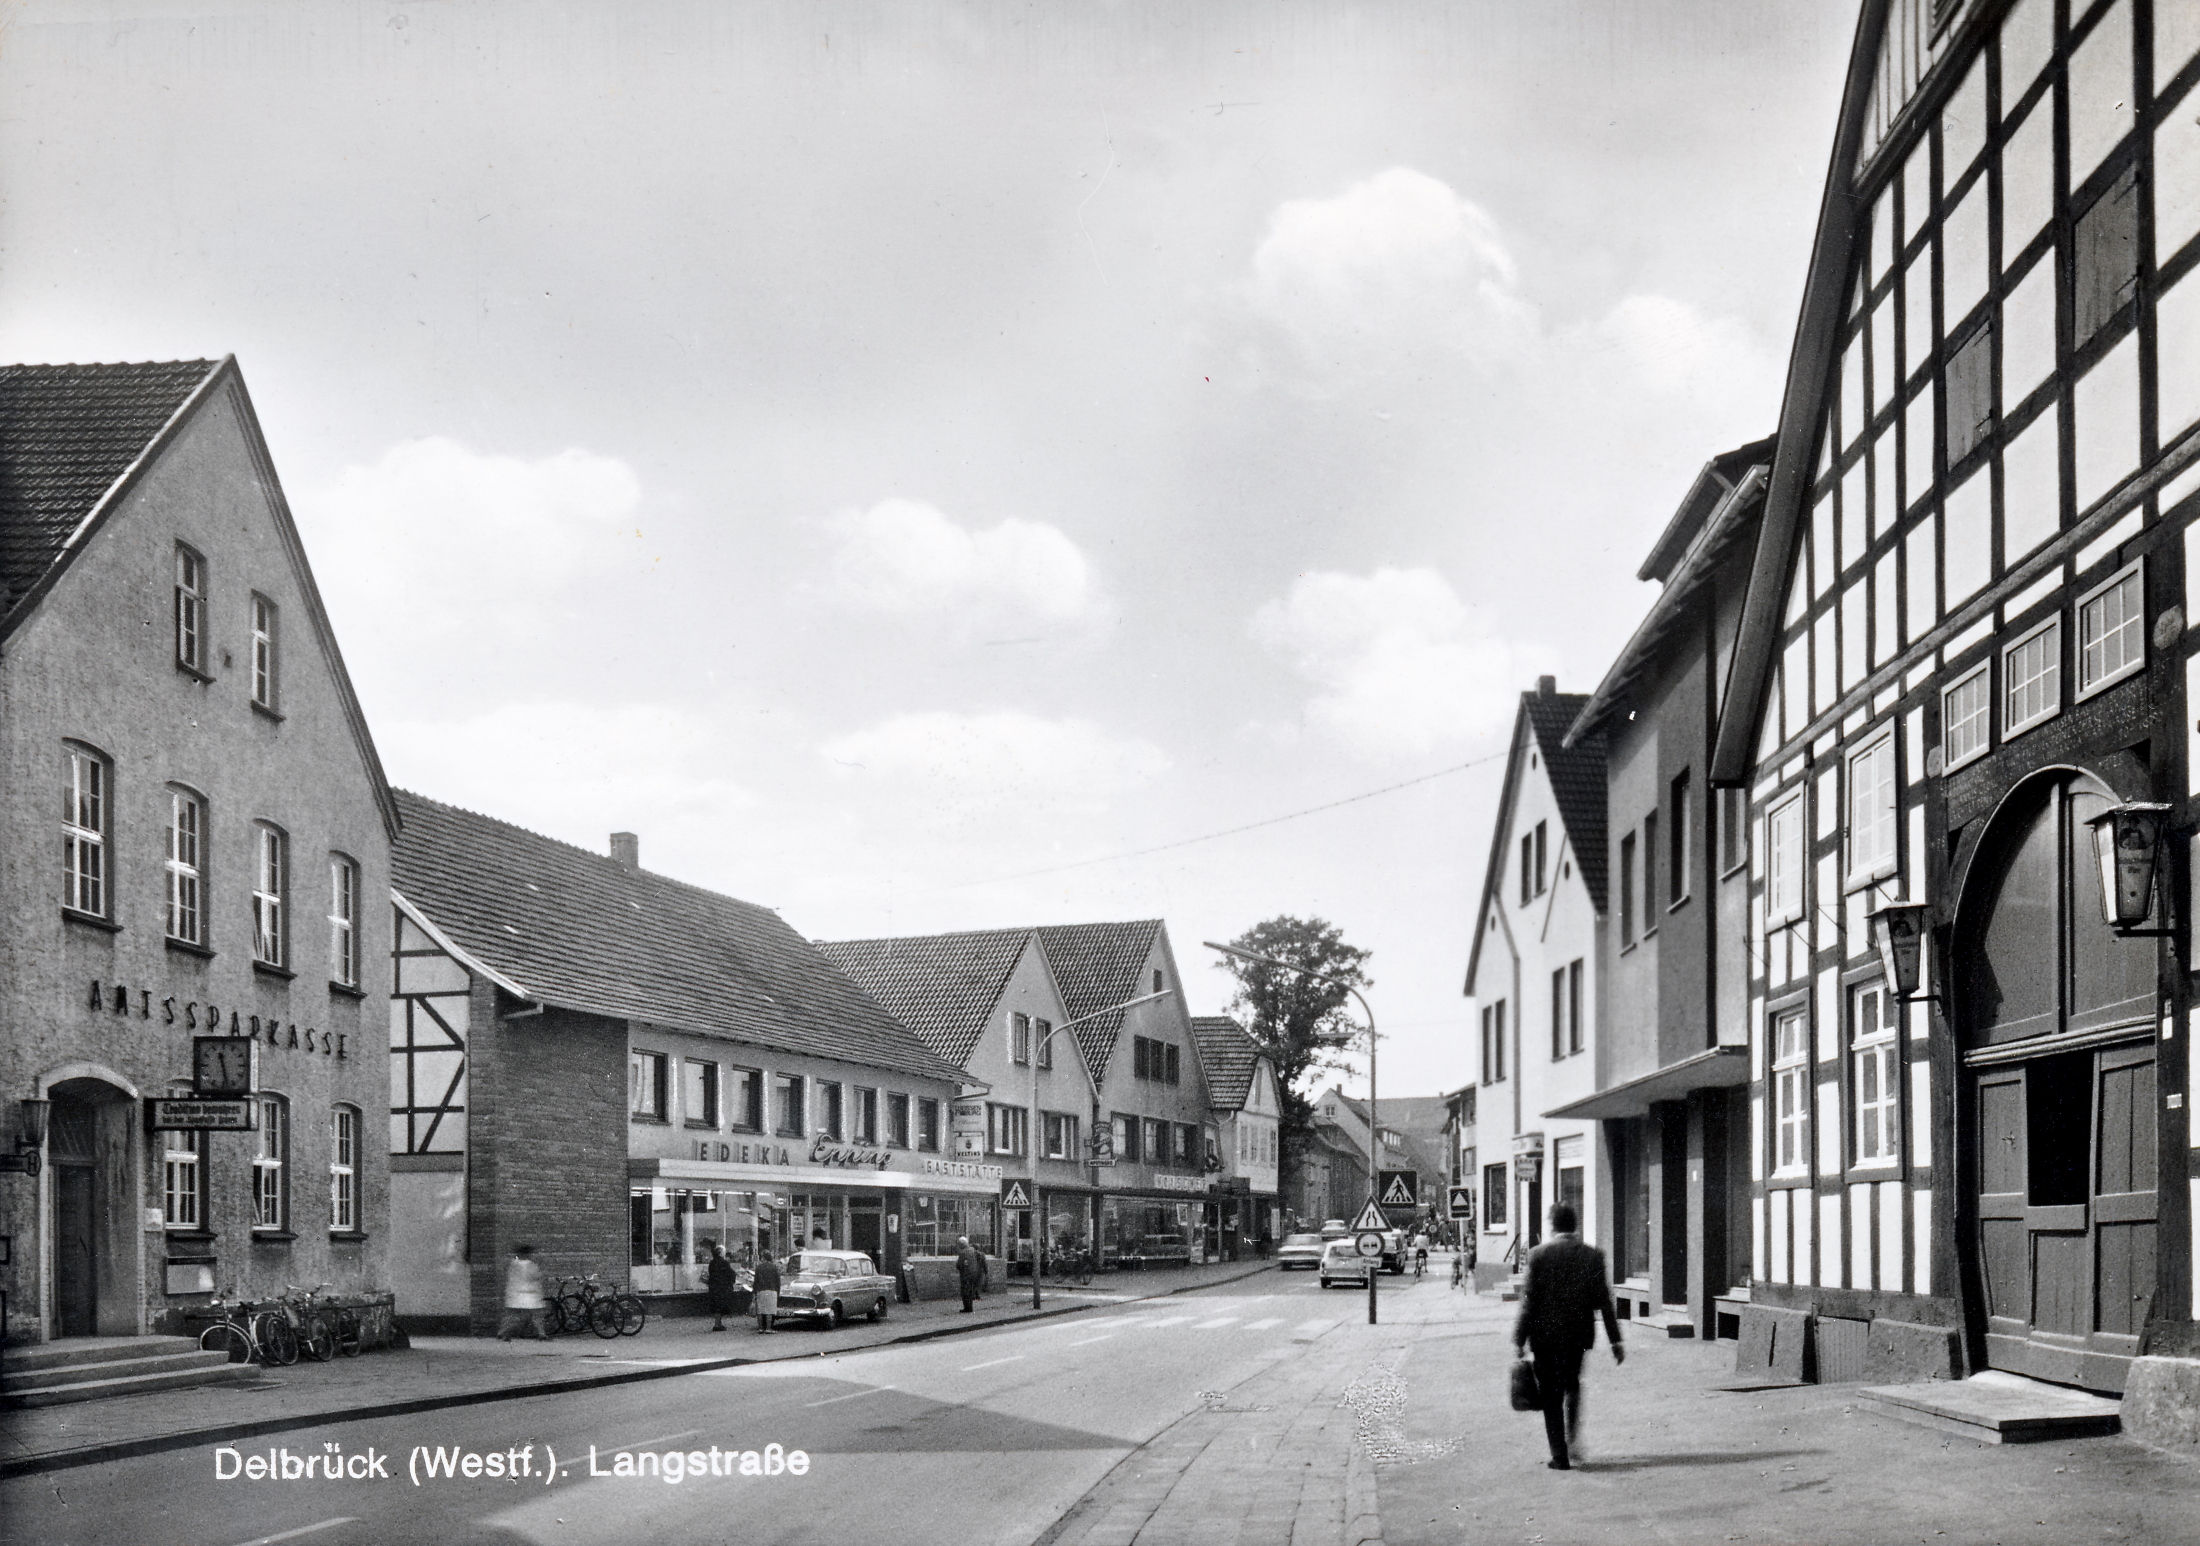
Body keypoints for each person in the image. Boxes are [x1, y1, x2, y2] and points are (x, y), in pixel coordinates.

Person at [1511, 1203, 1622, 1470]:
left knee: (1551, 1394)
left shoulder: (1538, 1255)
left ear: (1553, 1226)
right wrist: (1615, 1340)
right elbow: (1604, 1301)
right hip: (1577, 1336)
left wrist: (1519, 1338)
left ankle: (1559, 1455)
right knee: (1572, 1384)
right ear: (1575, 1226)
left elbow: (1529, 1302)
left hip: (1544, 1337)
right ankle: (1572, 1440)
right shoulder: (1592, 1256)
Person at [497, 1244, 548, 1342]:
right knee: (536, 1315)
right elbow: (536, 1276)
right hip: (530, 1293)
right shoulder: (530, 1265)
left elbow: (506, 1275)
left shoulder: (512, 1264)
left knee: (512, 1315)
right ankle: (541, 1333)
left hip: (514, 1293)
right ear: (527, 1254)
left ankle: (503, 1332)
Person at [706, 1243, 737, 1332]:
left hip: (714, 1287)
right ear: (720, 1253)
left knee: (716, 1306)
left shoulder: (712, 1263)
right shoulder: (724, 1262)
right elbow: (731, 1273)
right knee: (720, 1305)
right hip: (723, 1287)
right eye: (724, 1252)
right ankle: (718, 1324)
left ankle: (717, 1323)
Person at [752, 1251, 782, 1333]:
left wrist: (754, 1291)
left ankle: (761, 1328)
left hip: (760, 1290)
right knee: (769, 1310)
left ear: (763, 1258)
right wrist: (778, 1292)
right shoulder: (774, 1267)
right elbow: (778, 1281)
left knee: (760, 1311)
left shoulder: (759, 1267)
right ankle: (769, 1328)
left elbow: (756, 1281)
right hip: (772, 1290)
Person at [955, 1235, 986, 1313]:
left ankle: (967, 1308)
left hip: (966, 1275)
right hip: (974, 1274)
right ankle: (970, 1307)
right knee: (970, 1291)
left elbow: (959, 1265)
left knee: (965, 1291)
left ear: (961, 1245)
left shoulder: (962, 1253)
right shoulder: (973, 1250)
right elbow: (980, 1258)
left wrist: (963, 1266)